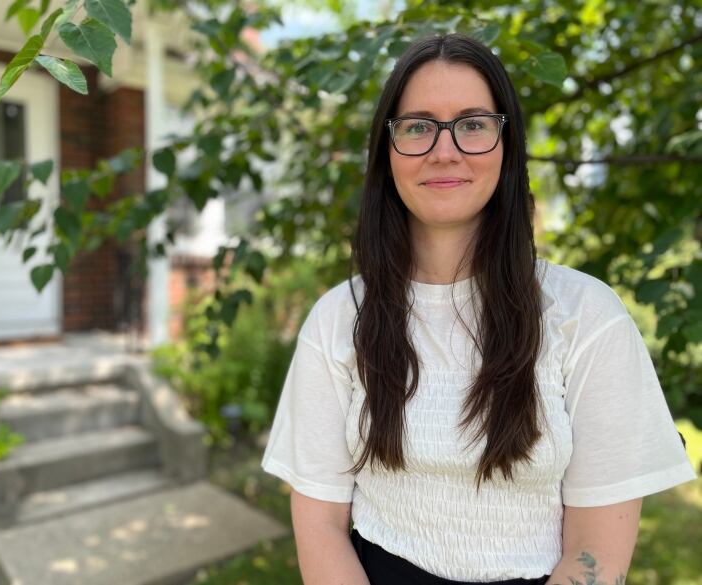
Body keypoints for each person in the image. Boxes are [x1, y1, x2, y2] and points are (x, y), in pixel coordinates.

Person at [260, 33, 697, 585]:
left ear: (506, 146)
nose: (445, 150)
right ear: (387, 151)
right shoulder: (337, 318)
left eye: (472, 124)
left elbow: (596, 557)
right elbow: (320, 527)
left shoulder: (586, 316)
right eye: (418, 126)